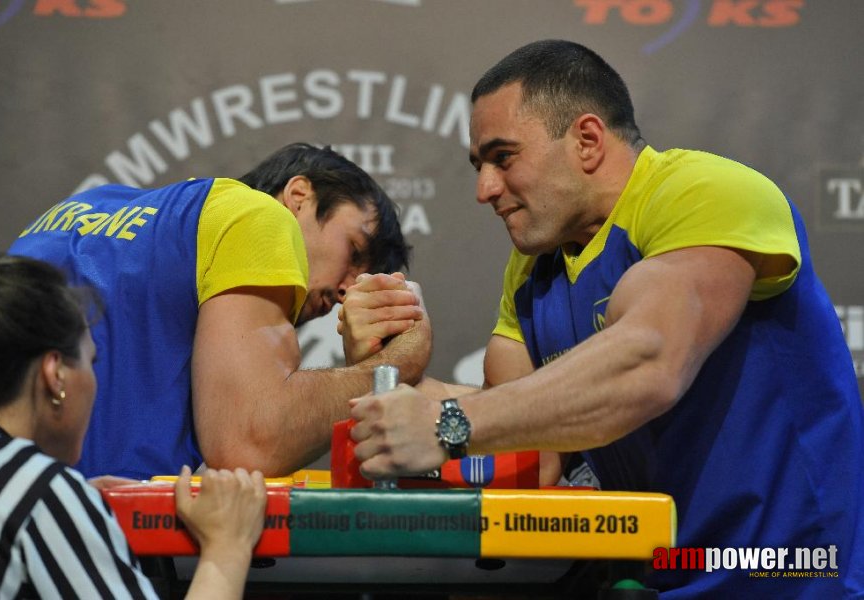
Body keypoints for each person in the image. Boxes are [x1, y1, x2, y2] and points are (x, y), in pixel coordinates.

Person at [344, 40, 864, 597]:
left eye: (503, 157)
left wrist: (445, 424)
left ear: (588, 141)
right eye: (479, 165)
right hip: (656, 575)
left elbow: (648, 361)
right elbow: (529, 447)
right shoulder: (532, 267)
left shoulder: (704, 191)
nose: (484, 189)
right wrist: (390, 368)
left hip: (792, 576)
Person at [8, 142, 429, 480]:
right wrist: (397, 363)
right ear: (298, 197)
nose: (346, 290)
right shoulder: (259, 215)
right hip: (78, 539)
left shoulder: (81, 207)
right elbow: (249, 443)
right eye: (353, 250)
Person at [0, 253, 267, 599]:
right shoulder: (35, 491)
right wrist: (227, 548)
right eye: (92, 361)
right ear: (55, 375)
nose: (94, 380)